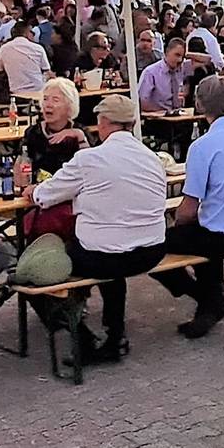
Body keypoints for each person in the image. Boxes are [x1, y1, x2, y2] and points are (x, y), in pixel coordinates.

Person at [27, 94, 171, 364]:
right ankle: (115, 335)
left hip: (106, 256)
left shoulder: (91, 159)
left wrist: (32, 190)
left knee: (36, 270)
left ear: (104, 122)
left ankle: (82, 338)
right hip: (152, 250)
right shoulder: (152, 158)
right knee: (111, 250)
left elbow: (45, 195)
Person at [153, 75, 224, 338]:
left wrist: (175, 220)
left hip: (223, 235)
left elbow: (188, 209)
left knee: (149, 248)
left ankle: (206, 297)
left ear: (199, 104)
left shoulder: (203, 147)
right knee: (204, 229)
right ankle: (211, 300)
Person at [23, 77, 89, 177]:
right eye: (45, 99)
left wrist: (79, 136)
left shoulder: (80, 132)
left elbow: (90, 168)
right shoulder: (33, 132)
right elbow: (23, 165)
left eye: (55, 100)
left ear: (70, 106)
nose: (48, 105)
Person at [137, 36, 192, 114]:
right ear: (167, 52)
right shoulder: (150, 72)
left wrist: (188, 55)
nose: (180, 60)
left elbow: (207, 61)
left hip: (178, 115)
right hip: (158, 118)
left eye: (182, 57)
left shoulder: (182, 67)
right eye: (177, 55)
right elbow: (141, 102)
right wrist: (164, 111)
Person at [0, 19, 50, 96]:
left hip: (16, 92)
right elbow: (47, 70)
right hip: (38, 91)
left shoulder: (4, 48)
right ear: (27, 33)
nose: (34, 35)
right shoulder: (38, 48)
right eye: (32, 32)